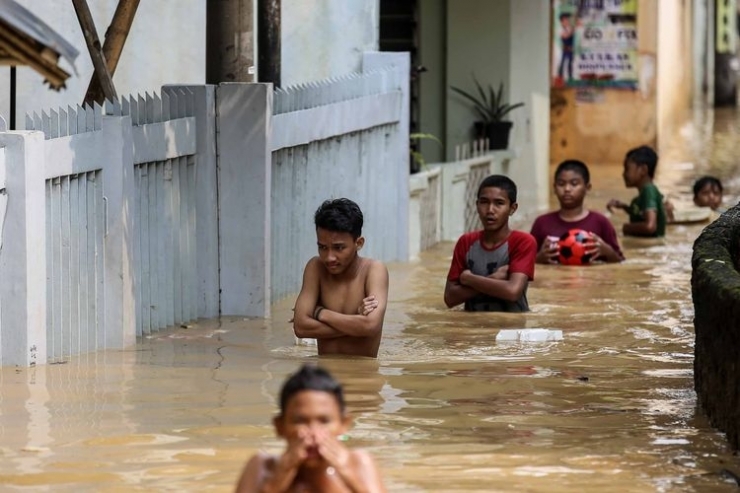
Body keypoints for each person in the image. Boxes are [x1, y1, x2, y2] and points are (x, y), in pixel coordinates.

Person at [234, 364, 387, 493]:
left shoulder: (359, 464)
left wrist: (348, 475)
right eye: (300, 421)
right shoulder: (261, 467)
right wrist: (276, 481)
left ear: (344, 424)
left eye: (324, 421)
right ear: (280, 427)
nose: (313, 433)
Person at [292, 198, 388, 358]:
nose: (329, 257)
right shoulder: (315, 268)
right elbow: (301, 327)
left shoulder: (374, 270)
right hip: (323, 377)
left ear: (359, 243)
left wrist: (320, 313)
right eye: (322, 247)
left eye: (338, 248)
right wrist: (356, 323)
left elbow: (371, 326)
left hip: (363, 377)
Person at [444, 174, 536, 312]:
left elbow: (512, 292)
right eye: (484, 202)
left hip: (511, 329)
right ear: (477, 205)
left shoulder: (523, 242)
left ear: (512, 208)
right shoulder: (466, 242)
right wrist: (494, 278)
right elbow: (450, 298)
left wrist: (469, 279)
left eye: (499, 203)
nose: (490, 210)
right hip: (470, 329)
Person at [530, 159, 624, 264]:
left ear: (587, 188)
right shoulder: (542, 223)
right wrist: (539, 259)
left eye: (574, 184)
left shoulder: (601, 222)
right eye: (561, 184)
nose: (567, 189)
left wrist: (608, 252)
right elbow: (524, 262)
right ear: (554, 188)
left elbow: (620, 262)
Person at [606, 145, 666, 238]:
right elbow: (641, 215)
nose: (623, 174)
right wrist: (624, 207)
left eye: (627, 169)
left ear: (643, 170)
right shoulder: (643, 195)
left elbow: (650, 226)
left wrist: (626, 228)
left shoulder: (649, 191)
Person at [557, 13, 575, 82]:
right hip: (565, 48)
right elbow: (565, 36)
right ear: (562, 21)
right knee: (563, 62)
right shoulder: (560, 29)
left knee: (570, 64)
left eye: (567, 20)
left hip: (571, 48)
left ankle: (570, 78)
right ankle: (560, 77)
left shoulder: (569, 27)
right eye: (565, 20)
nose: (567, 21)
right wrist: (571, 31)